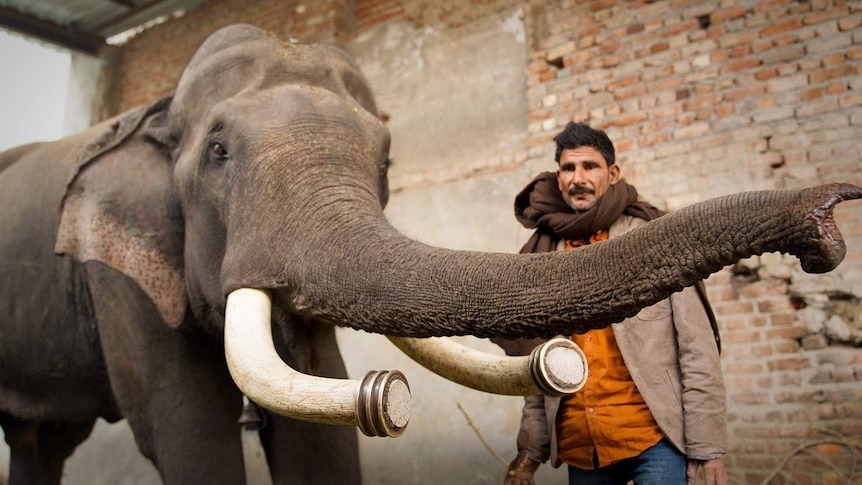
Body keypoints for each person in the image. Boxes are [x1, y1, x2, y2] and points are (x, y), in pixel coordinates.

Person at [495, 121, 728, 485]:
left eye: (590, 166)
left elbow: (697, 351)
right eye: (569, 168)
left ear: (612, 173)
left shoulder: (654, 238)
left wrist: (707, 447)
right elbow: (539, 363)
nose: (578, 178)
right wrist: (530, 451)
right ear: (558, 178)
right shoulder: (545, 256)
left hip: (655, 438)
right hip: (583, 448)